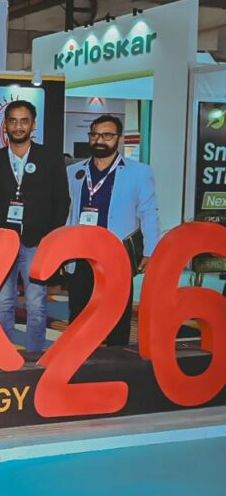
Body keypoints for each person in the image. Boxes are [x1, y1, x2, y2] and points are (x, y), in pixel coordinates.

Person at [0, 100, 70, 355]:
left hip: (37, 242)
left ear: (33, 125)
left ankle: (33, 356)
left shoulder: (50, 158)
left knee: (36, 303)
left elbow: (62, 201)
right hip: (1, 244)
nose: (18, 126)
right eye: (13, 121)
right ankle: (2, 353)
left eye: (24, 121)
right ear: (5, 125)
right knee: (4, 301)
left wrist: (52, 241)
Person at [65, 115, 159, 346]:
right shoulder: (74, 171)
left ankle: (118, 359)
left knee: (117, 314)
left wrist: (151, 251)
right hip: (80, 254)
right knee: (79, 312)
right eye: (95, 135)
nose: (99, 140)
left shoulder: (139, 172)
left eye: (107, 135)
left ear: (119, 139)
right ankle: (77, 359)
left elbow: (149, 213)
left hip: (116, 255)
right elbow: (67, 213)